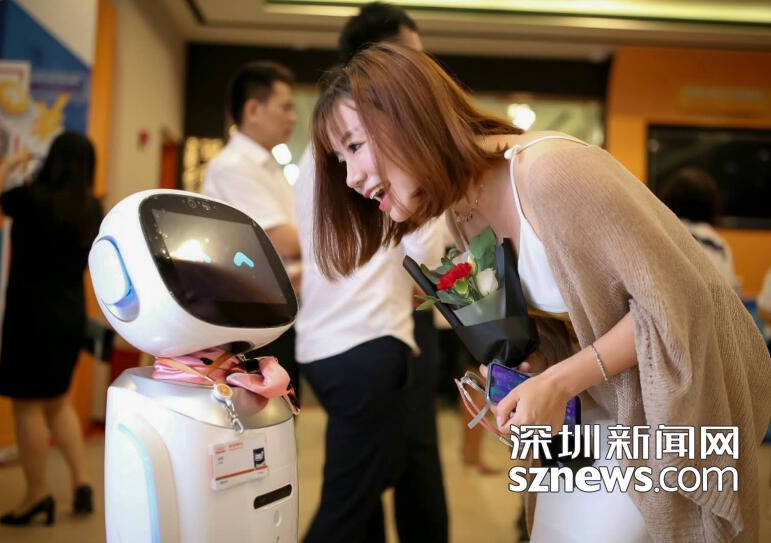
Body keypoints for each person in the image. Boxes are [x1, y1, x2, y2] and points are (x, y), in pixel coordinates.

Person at [309, 43, 771, 542]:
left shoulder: (552, 171)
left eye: (355, 146)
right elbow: (573, 325)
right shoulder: (463, 211)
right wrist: (527, 380)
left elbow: (680, 304)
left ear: (410, 117)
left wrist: (559, 382)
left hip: (671, 403)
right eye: (340, 159)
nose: (351, 178)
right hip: (600, 406)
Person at [294, 4, 448, 542]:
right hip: (368, 341)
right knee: (351, 504)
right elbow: (430, 256)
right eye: (411, 57)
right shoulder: (374, 153)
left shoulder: (319, 152)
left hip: (326, 343)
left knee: (365, 498)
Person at [0, 132, 103, 525]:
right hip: (70, 316)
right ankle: (81, 481)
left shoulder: (33, 197)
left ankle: (36, 495)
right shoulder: (92, 209)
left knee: (28, 405)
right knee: (57, 401)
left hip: (30, 315)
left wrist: (11, 163)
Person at [202, 61, 301, 395]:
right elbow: (284, 241)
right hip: (249, 317)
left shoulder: (267, 166)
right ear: (254, 109)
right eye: (285, 107)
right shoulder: (233, 167)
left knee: (280, 408)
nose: (293, 117)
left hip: (274, 311)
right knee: (259, 409)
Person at [658, 167, 739, 291]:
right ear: (712, 205)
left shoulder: (662, 234)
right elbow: (730, 294)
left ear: (669, 199)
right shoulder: (719, 246)